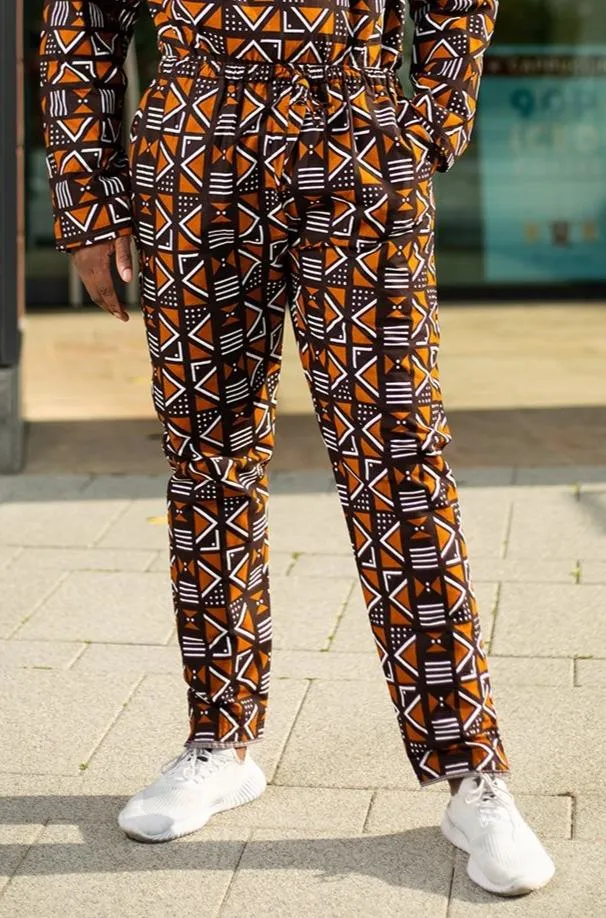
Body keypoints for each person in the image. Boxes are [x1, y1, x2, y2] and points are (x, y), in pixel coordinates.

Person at [40, 0, 555, 896]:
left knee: (401, 459)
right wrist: (90, 205)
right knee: (208, 459)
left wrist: (427, 124)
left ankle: (472, 770)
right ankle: (221, 741)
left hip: (358, 142)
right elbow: (77, 23)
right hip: (195, 145)